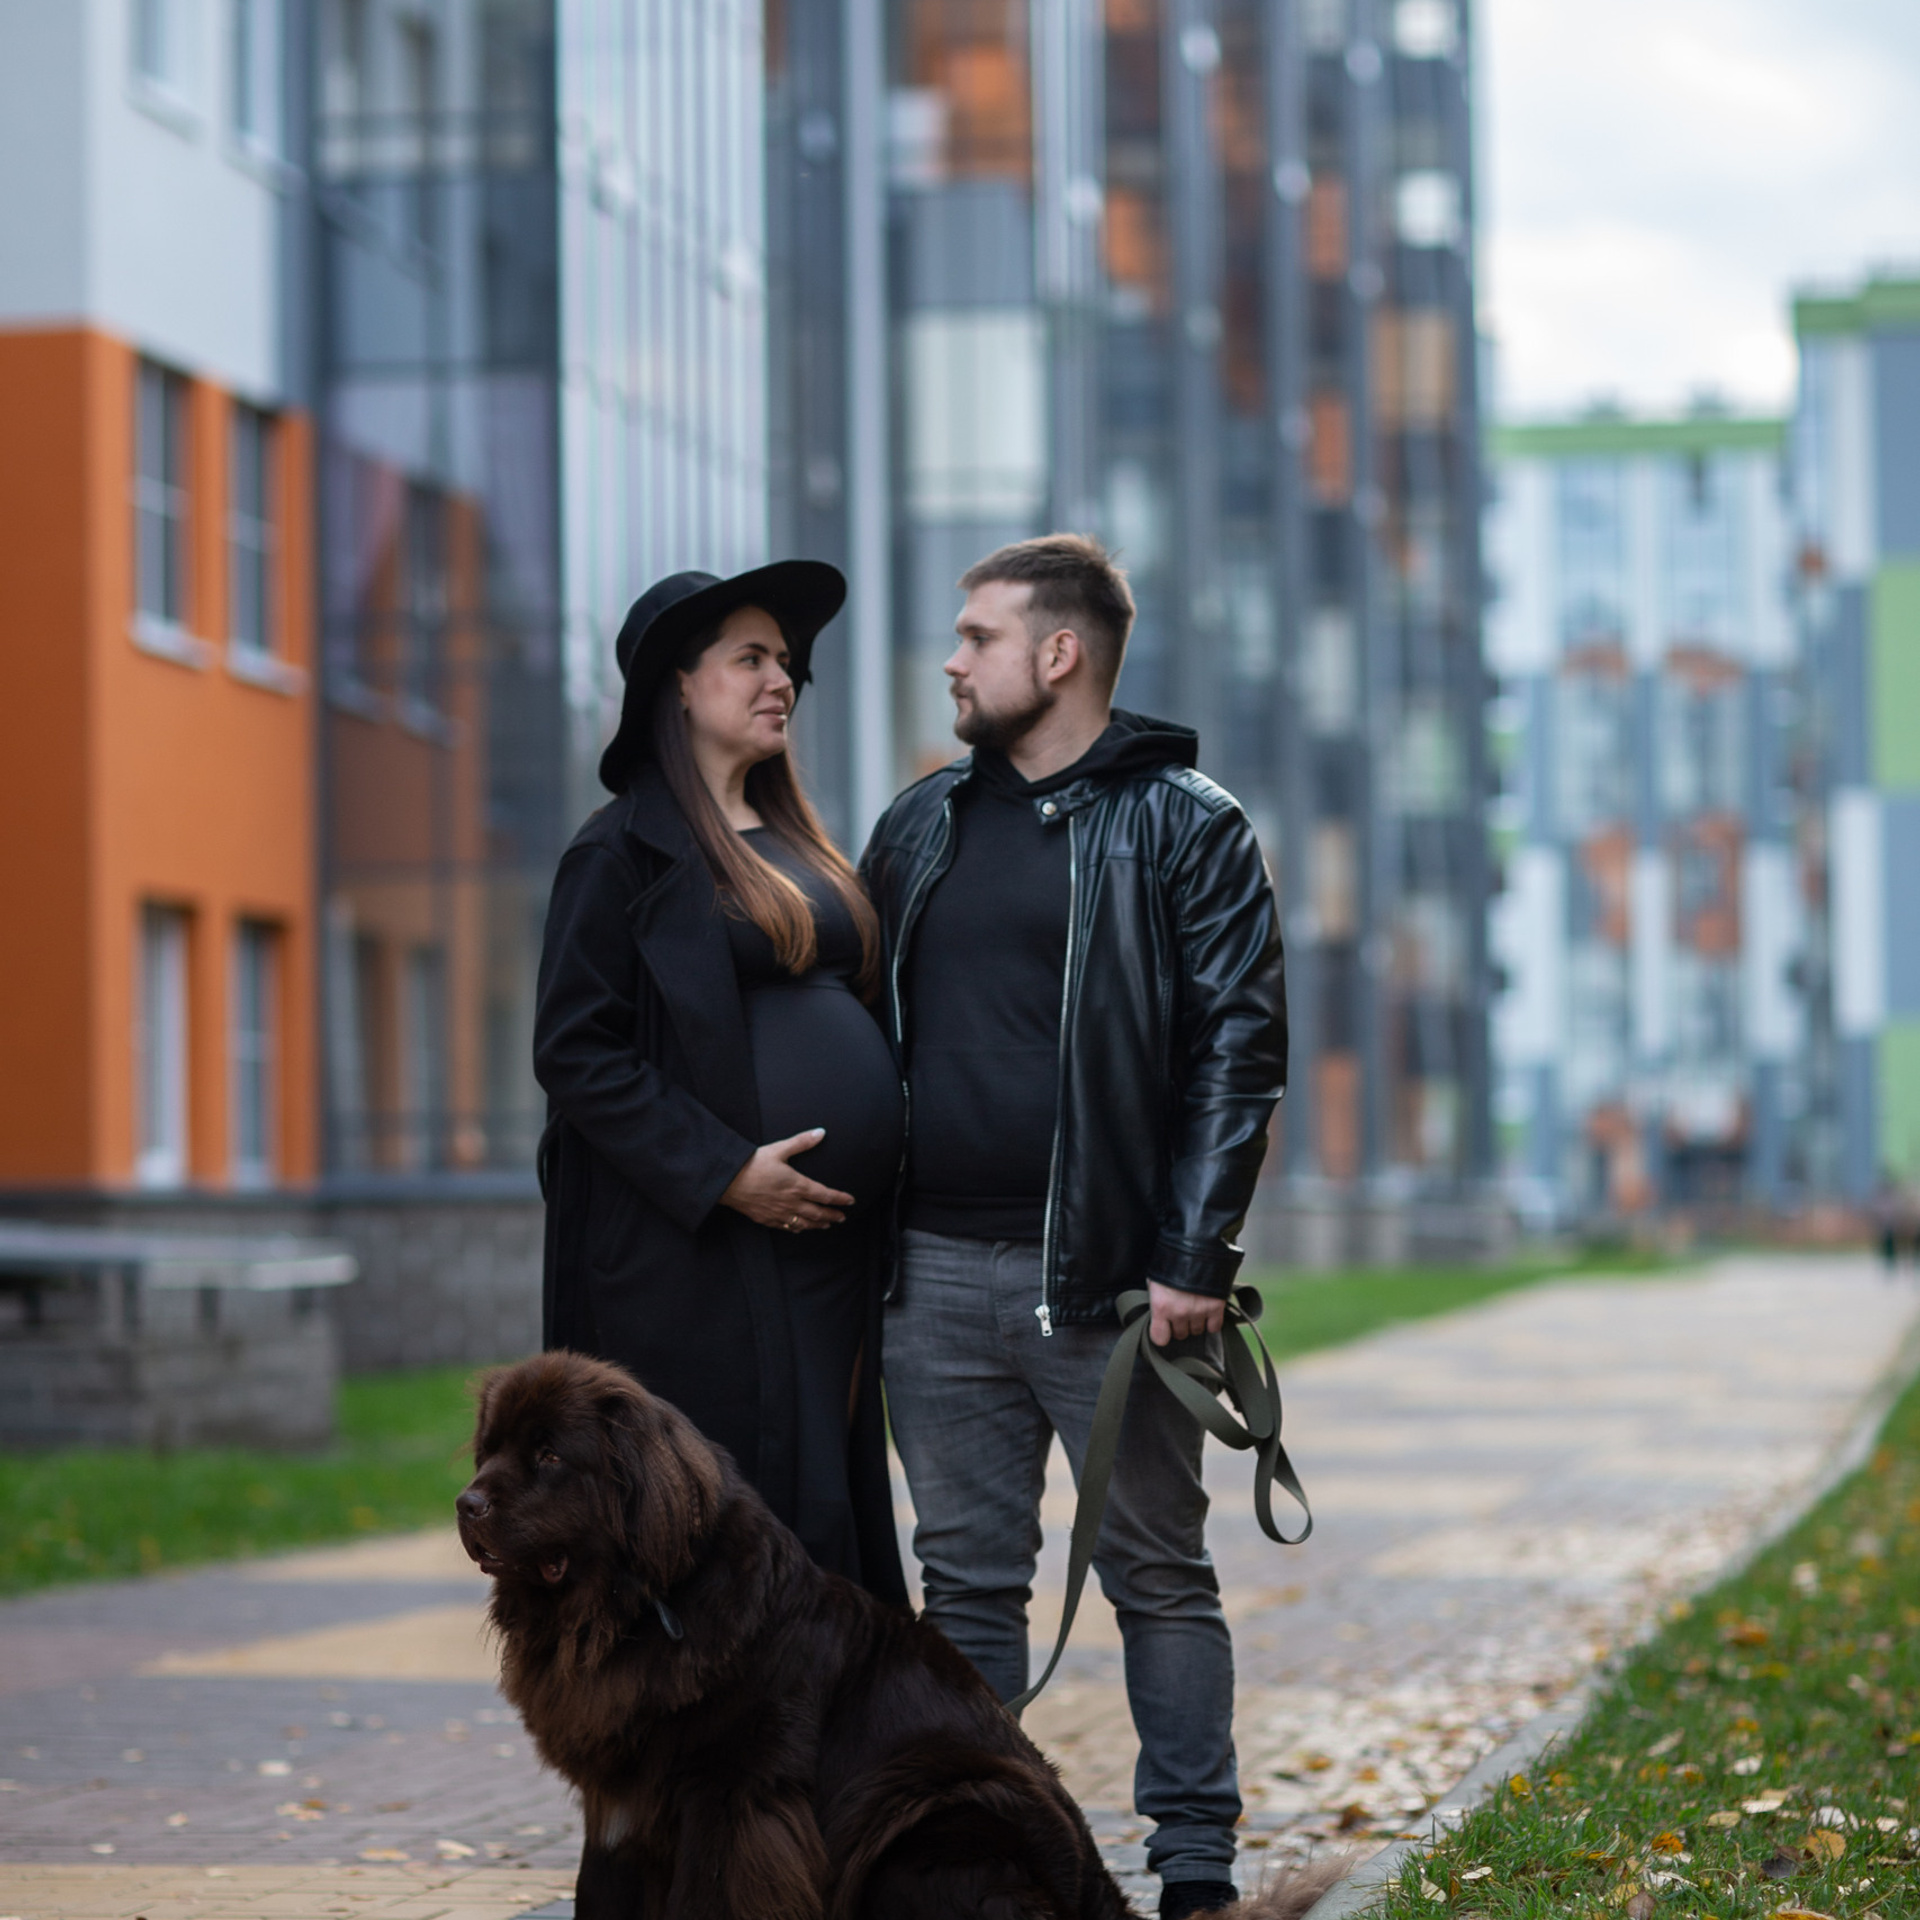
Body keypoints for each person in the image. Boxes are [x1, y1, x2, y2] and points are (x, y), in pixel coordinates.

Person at [862, 534, 1287, 1920]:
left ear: (1059, 655)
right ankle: (980, 1873)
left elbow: (1242, 1045)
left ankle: (1196, 1872)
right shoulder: (920, 825)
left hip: (1113, 1294)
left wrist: (1192, 1257)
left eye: (976, 636)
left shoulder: (1187, 822)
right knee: (965, 1590)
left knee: (1157, 1576)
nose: (951, 659)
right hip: (929, 1278)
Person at [533, 562, 907, 1610]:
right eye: (750, 659)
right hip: (700, 1262)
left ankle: (826, 1759)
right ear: (680, 686)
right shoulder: (617, 858)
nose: (779, 679)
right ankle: (730, 1769)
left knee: (828, 1516)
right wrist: (727, 1171)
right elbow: (575, 1051)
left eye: (785, 663)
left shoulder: (802, 845)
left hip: (830, 1256)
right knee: (731, 1530)